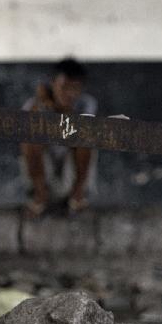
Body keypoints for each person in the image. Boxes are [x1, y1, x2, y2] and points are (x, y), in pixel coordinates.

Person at [20, 58, 97, 216]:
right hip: (43, 176)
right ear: (53, 84)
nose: (69, 93)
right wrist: (43, 105)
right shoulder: (34, 104)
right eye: (64, 87)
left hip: (71, 173)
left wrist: (59, 108)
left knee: (86, 137)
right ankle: (39, 197)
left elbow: (78, 129)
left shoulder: (86, 104)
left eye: (74, 88)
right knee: (30, 138)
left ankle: (78, 196)